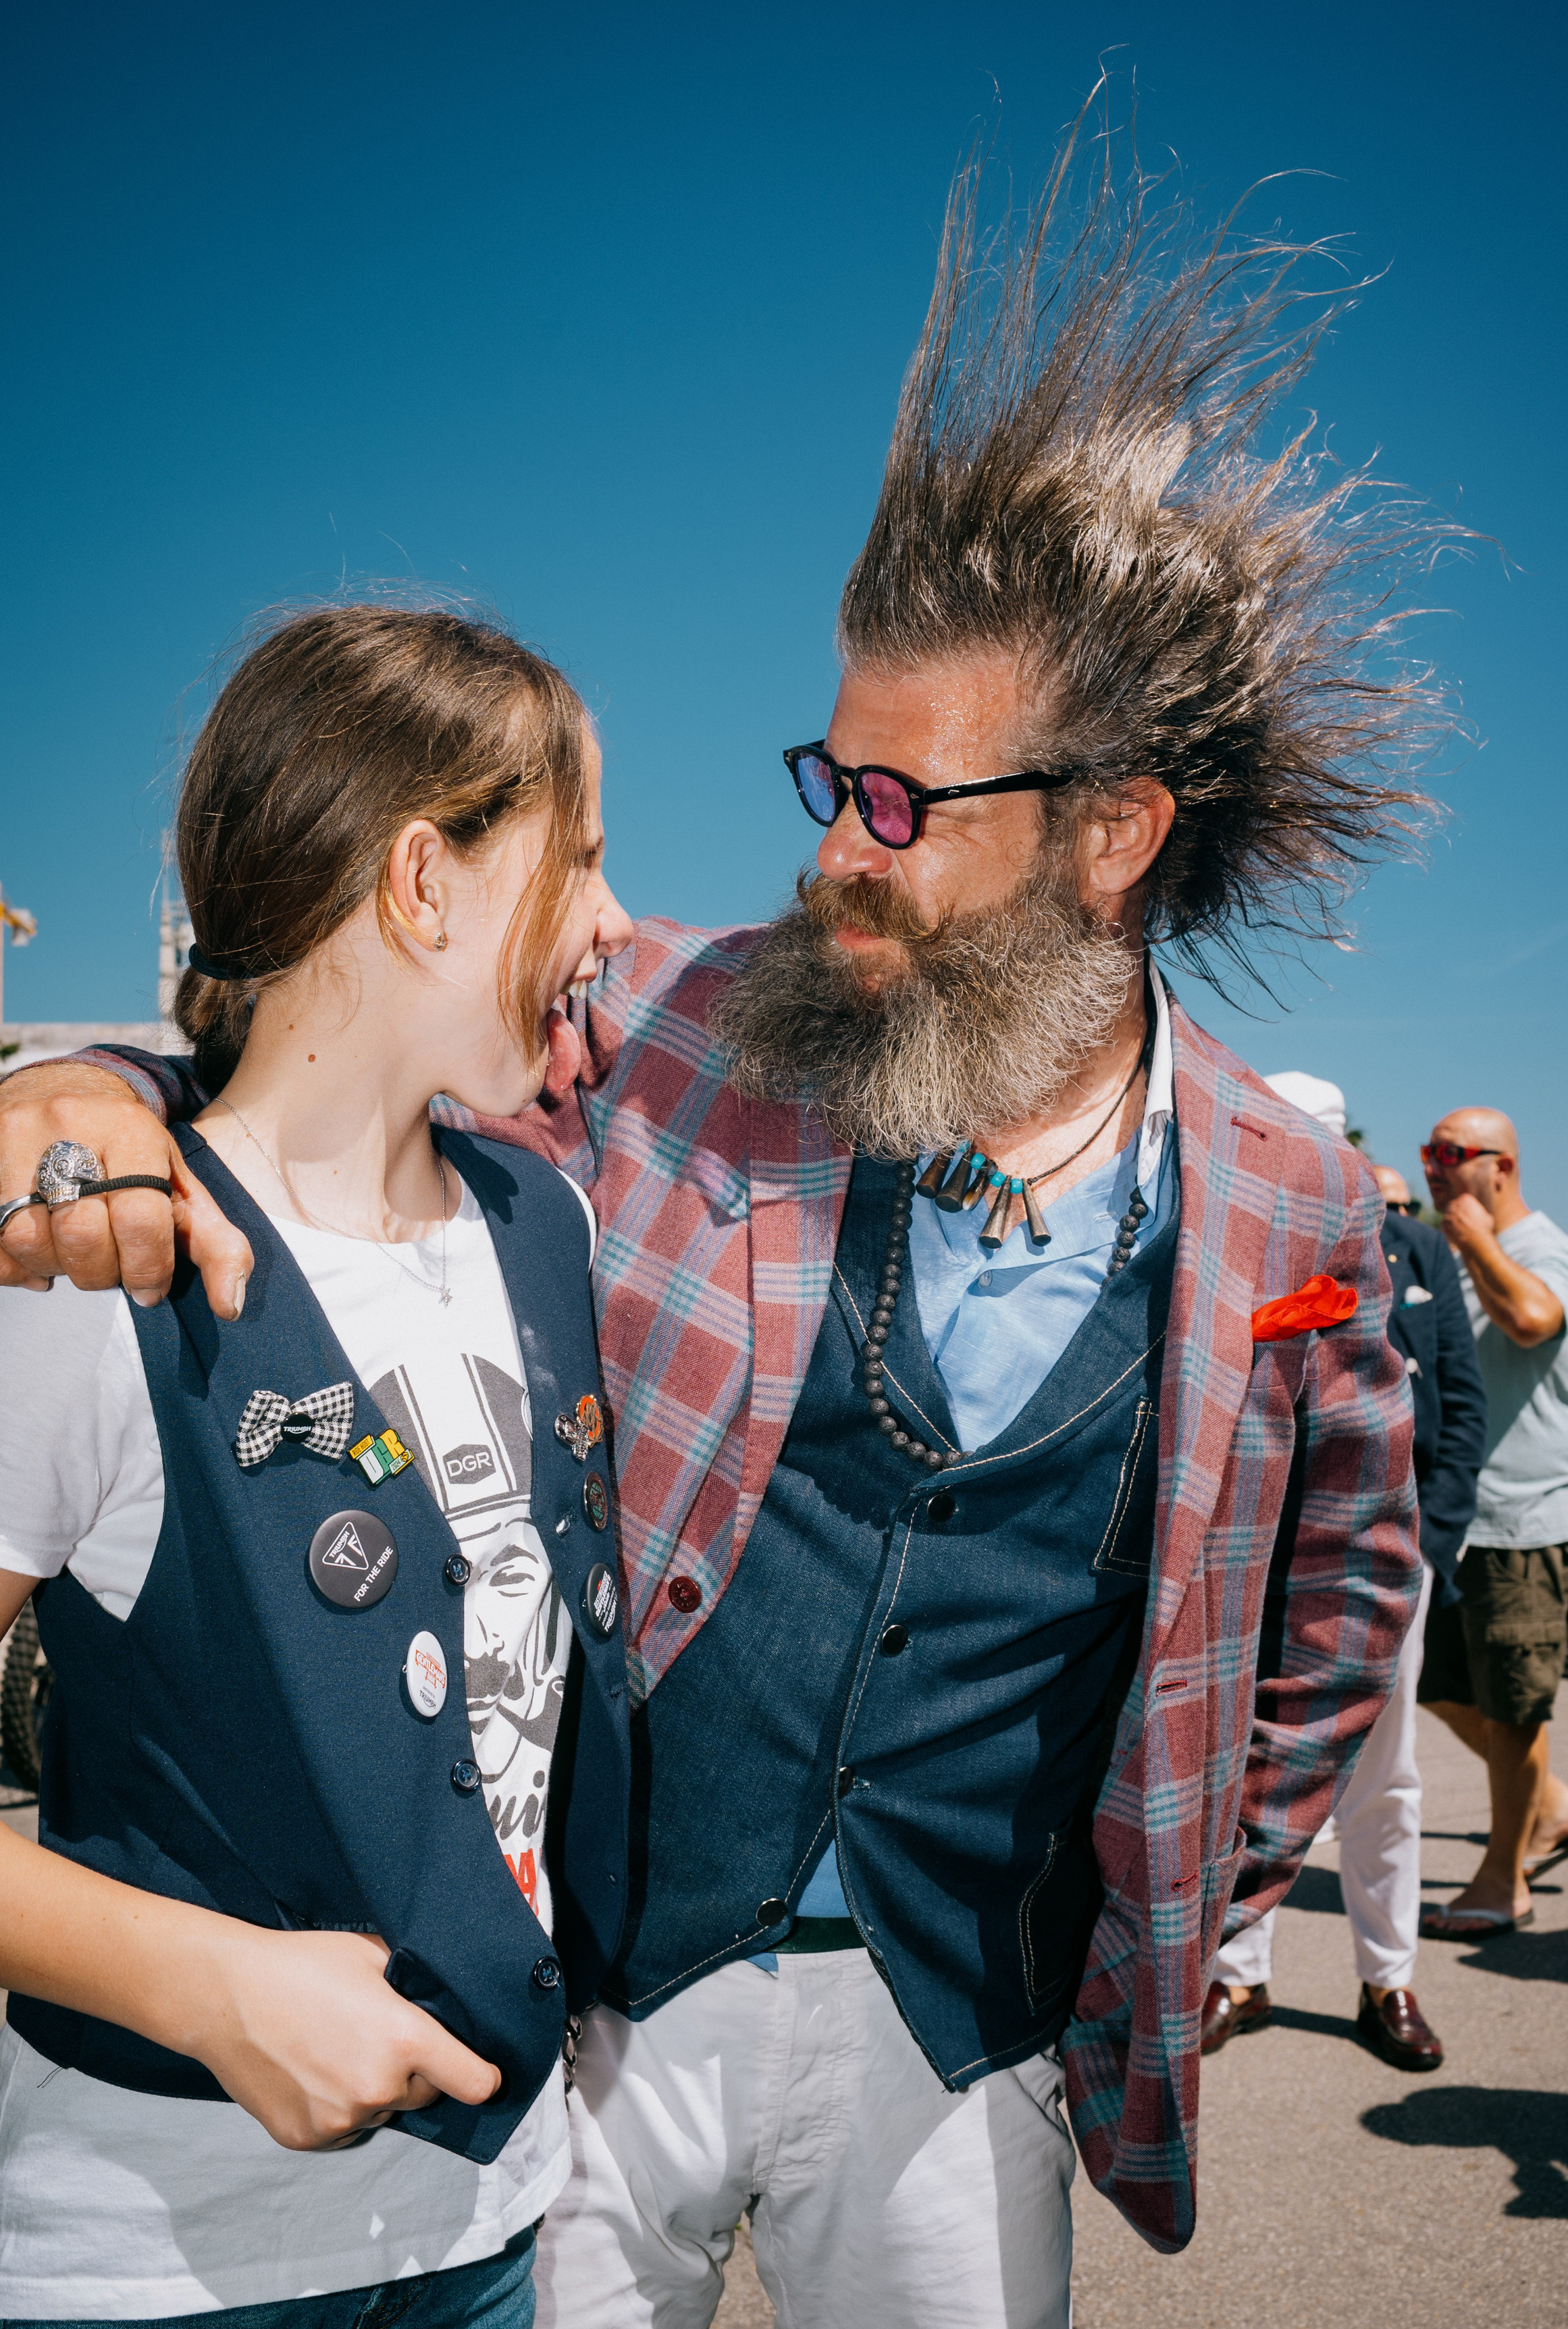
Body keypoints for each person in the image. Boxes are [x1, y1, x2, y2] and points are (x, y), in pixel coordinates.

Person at [0, 136, 1427, 2326]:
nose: (836, 852)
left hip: (965, 2034)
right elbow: (348, 1044)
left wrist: (1185, 1890)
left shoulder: (1302, 1200)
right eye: (825, 774)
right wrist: (86, 1094)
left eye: (899, 803)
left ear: (1114, 832)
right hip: (603, 1987)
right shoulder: (681, 1007)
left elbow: (1342, 1576)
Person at [0, 606, 635, 2324]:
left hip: (493, 2226)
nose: (615, 918)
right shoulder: (99, 1263)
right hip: (162, 2255)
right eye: (576, 858)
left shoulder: (545, 1220)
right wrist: (204, 1982)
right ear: (422, 883)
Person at [1203, 1105, 1486, 2070]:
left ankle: (1388, 1977)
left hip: (1383, 1563)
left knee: (1386, 1786)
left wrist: (1431, 1549)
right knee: (1239, 1771)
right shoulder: (1232, 1242)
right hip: (1254, 1568)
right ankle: (1239, 1973)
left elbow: (1460, 1406)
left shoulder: (1415, 1250)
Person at [1415, 1106, 1568, 1939]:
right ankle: (1555, 1806)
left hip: (1529, 1521)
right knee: (1439, 1686)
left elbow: (1533, 1320)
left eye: (1451, 1153)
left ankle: (1505, 1879)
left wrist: (1476, 1242)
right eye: (1428, 1151)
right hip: (1474, 1520)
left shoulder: (1542, 1250)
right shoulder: (1466, 1256)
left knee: (1513, 1708)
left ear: (1500, 1165)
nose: (1434, 1166)